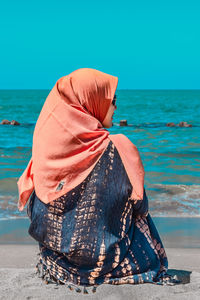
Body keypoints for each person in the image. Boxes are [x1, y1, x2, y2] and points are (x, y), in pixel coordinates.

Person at [17, 68, 177, 294]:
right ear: (90, 101)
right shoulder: (117, 147)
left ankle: (66, 261)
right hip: (104, 259)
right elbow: (141, 206)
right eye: (112, 101)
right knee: (138, 213)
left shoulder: (44, 147)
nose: (116, 108)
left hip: (54, 256)